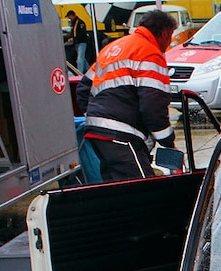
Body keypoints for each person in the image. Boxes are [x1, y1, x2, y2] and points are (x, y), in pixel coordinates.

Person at [76, 10, 177, 182]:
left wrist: (96, 115)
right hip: (122, 135)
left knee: (117, 189)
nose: (169, 43)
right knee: (144, 189)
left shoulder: (113, 49)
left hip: (97, 133)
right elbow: (153, 104)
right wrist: (167, 140)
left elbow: (83, 88)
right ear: (164, 33)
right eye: (170, 37)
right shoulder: (150, 53)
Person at [65, 10, 90, 75]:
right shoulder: (74, 23)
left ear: (72, 15)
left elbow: (82, 34)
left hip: (82, 43)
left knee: (79, 60)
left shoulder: (80, 23)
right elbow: (73, 33)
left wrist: (74, 39)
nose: (69, 18)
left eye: (69, 17)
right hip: (76, 43)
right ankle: (90, 71)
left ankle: (80, 74)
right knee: (83, 59)